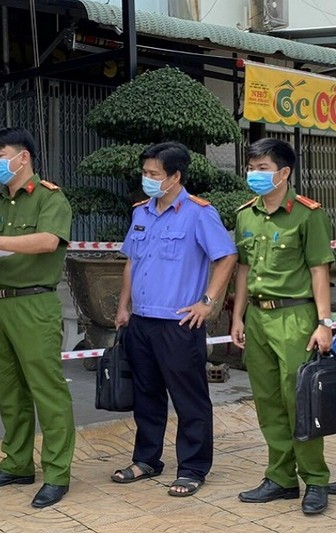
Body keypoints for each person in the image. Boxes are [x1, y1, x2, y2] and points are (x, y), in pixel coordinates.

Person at [0, 127, 75, 509]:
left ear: (23, 157)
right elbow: (4, 251)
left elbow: (47, 242)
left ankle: (57, 473)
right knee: (10, 391)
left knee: (47, 390)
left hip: (34, 305)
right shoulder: (0, 203)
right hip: (0, 303)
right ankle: (18, 463)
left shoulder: (49, 198)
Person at [112, 141, 237, 498]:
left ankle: (193, 467)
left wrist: (207, 303)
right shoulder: (141, 212)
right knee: (146, 395)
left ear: (175, 176)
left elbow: (226, 257)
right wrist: (124, 307)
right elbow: (130, 262)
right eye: (145, 173)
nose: (147, 179)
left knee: (189, 399)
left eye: (154, 174)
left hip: (180, 324)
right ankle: (147, 459)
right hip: (141, 322)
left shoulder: (199, 213)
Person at [231, 138, 333, 515]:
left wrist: (325, 323)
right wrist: (237, 315)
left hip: (296, 317)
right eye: (251, 168)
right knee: (269, 401)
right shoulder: (246, 215)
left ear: (284, 172)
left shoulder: (309, 215)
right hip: (257, 317)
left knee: (299, 402)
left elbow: (319, 271)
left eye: (262, 169)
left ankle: (316, 480)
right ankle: (281, 478)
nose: (253, 175)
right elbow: (243, 268)